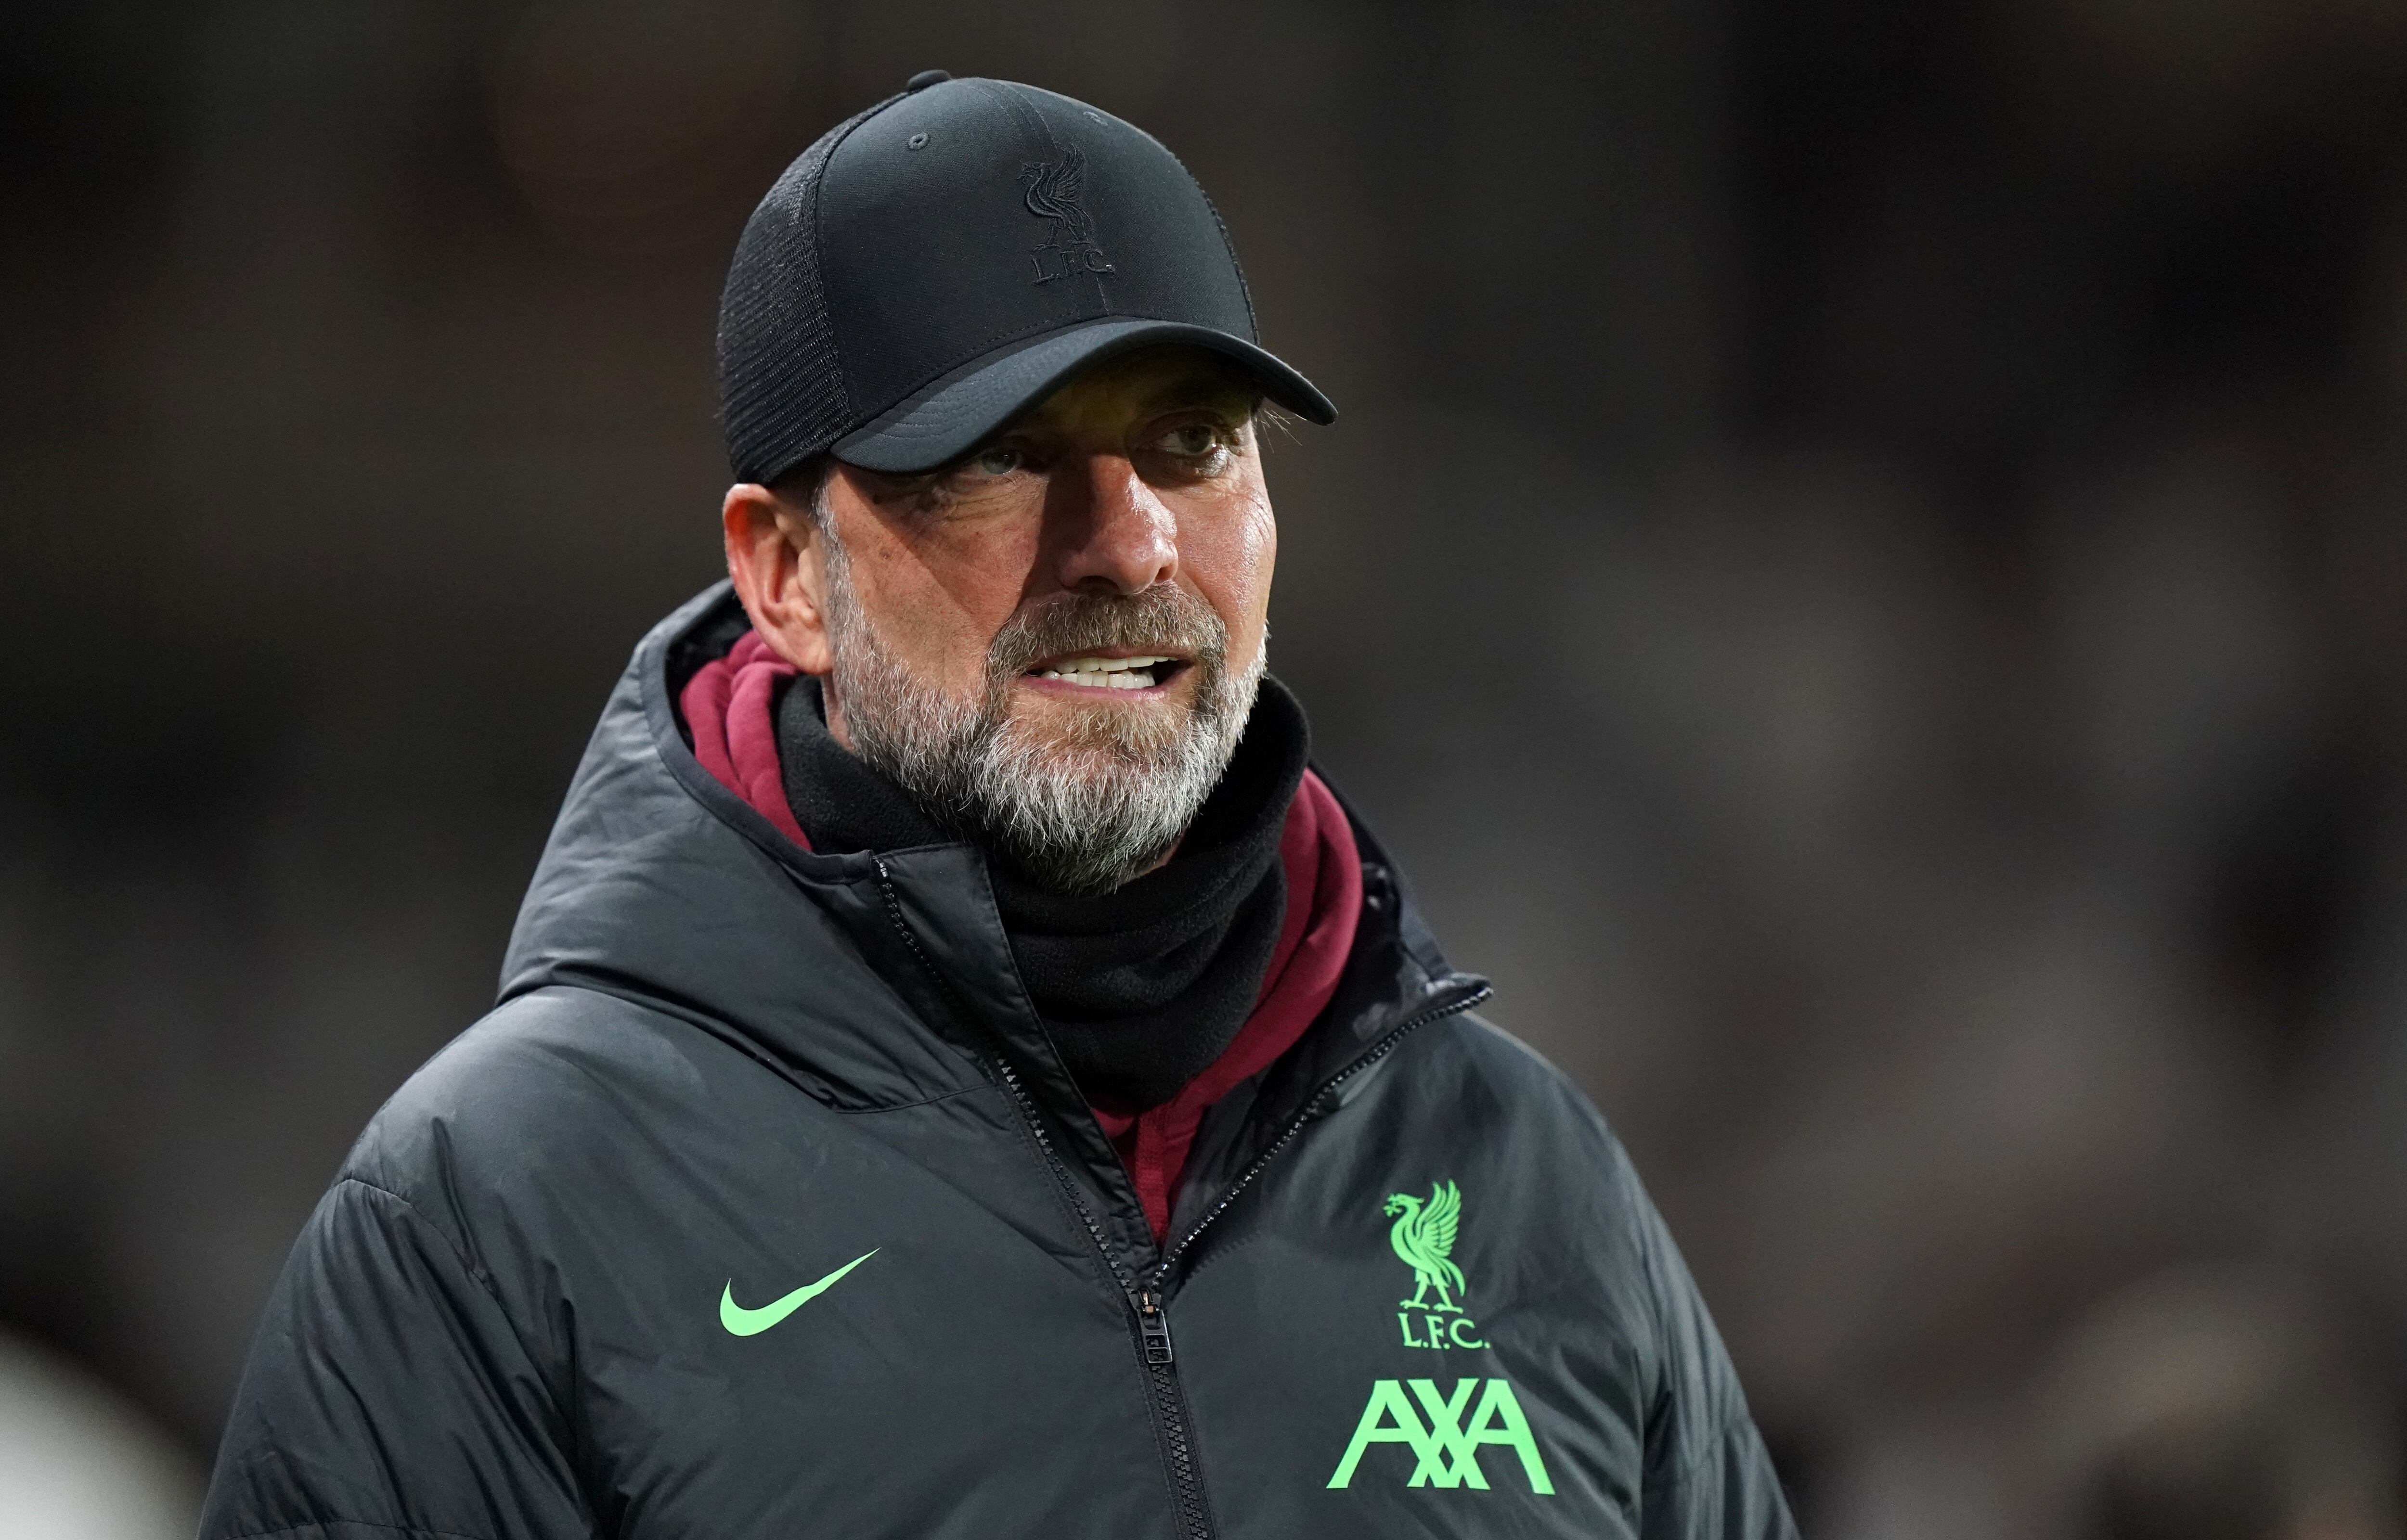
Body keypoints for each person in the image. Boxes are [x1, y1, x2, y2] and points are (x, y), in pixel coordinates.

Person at [200, 72, 1796, 1540]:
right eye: (999, 454)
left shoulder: (1525, 1180)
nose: (1129, 543)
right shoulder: (500, 1211)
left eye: (1192, 442)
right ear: (783, 576)